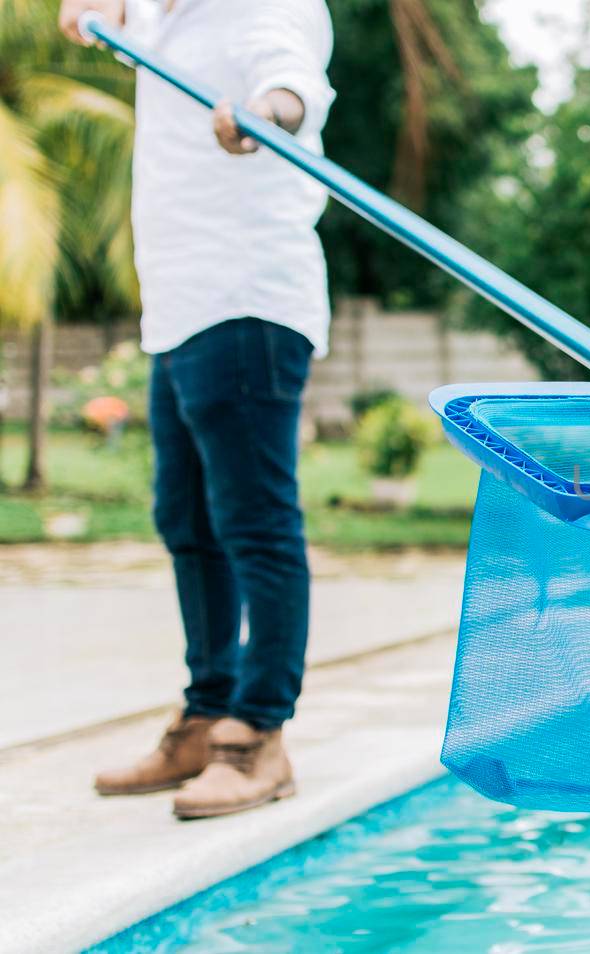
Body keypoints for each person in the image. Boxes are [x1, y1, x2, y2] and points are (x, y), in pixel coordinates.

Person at [60, 0, 335, 820]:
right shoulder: (159, 15)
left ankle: (258, 737)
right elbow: (110, 23)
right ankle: (207, 709)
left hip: (246, 298)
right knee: (185, 517)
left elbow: (293, 81)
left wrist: (265, 113)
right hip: (177, 306)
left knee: (254, 522)